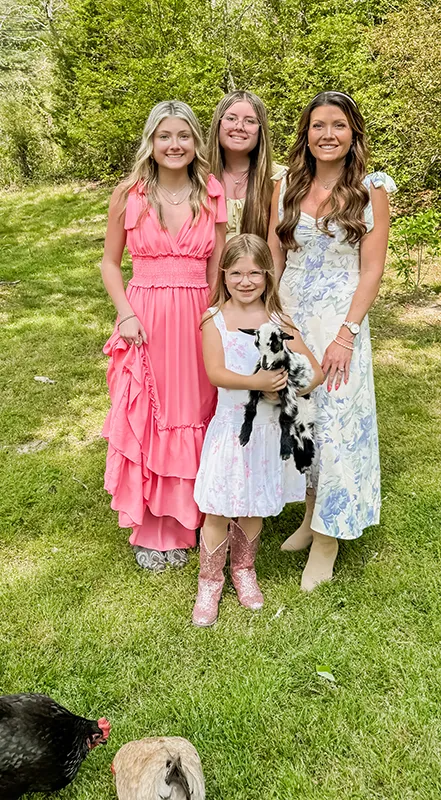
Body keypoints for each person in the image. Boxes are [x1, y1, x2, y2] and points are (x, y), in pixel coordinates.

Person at [268, 90, 396, 591]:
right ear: (306, 134)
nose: (328, 134)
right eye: (318, 125)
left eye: (338, 125)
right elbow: (275, 254)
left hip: (341, 320)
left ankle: (328, 538)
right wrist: (275, 314)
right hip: (292, 316)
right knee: (303, 418)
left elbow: (372, 270)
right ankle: (309, 516)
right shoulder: (286, 185)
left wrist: (347, 334)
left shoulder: (370, 190)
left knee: (338, 422)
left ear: (353, 133)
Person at [100, 100, 226, 571]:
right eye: (165, 136)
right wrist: (125, 314)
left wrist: (217, 316)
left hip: (197, 315)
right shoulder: (129, 193)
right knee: (154, 415)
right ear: (151, 142)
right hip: (145, 317)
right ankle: (157, 527)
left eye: (184, 136)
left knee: (197, 409)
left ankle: (200, 514)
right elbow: (110, 264)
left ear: (196, 142)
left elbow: (217, 266)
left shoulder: (210, 192)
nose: (175, 145)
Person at [192, 234, 323, 626]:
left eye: (254, 273)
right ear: (223, 275)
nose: (245, 281)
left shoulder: (279, 321)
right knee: (218, 507)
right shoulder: (214, 319)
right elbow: (216, 372)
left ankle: (244, 570)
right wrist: (257, 383)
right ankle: (209, 582)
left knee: (253, 507)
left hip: (266, 432)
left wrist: (284, 388)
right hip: (231, 429)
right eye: (236, 273)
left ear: (267, 275)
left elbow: (314, 372)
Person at [207, 91, 280, 241]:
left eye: (250, 121)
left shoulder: (278, 179)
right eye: (231, 118)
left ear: (261, 130)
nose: (239, 126)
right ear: (217, 123)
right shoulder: (197, 176)